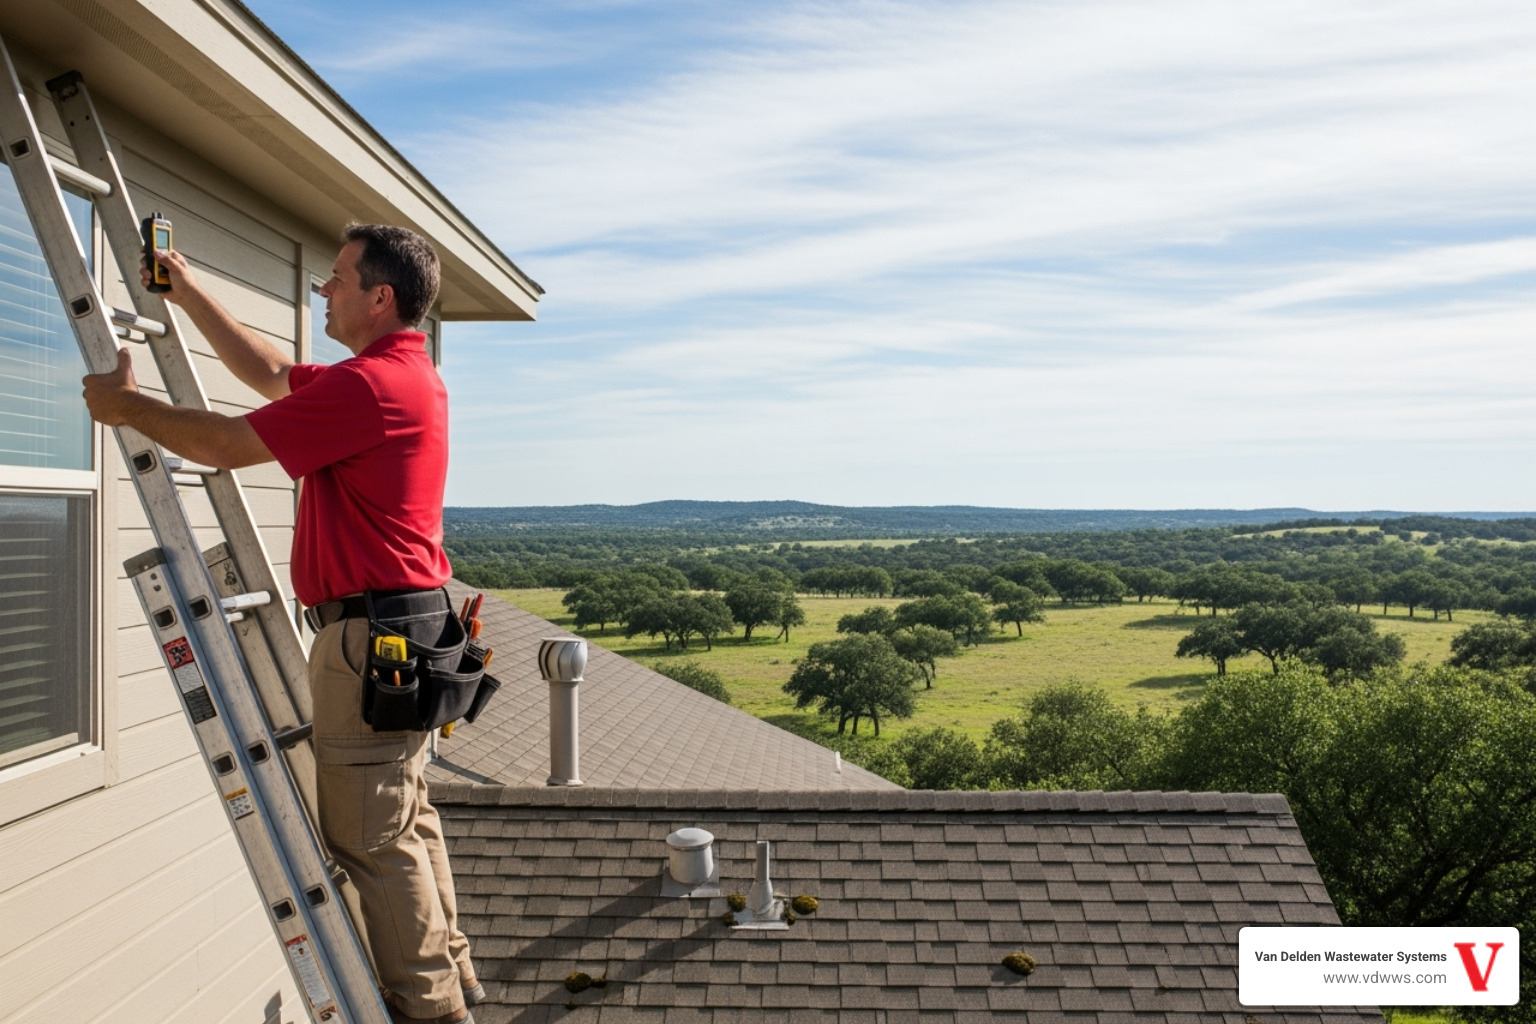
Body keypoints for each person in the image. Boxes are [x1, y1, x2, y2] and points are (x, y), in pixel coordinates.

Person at [82, 224, 480, 1024]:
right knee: (403, 816)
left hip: (374, 640)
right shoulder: (401, 376)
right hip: (405, 629)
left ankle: (432, 1012)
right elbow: (267, 372)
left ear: (381, 297)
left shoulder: (367, 387)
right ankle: (453, 980)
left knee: (372, 837)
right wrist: (185, 289)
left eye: (335, 279)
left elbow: (228, 446)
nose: (321, 291)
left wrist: (126, 408)